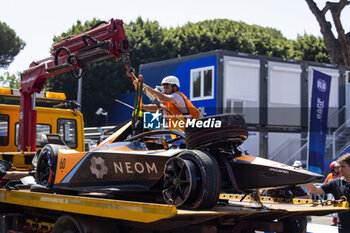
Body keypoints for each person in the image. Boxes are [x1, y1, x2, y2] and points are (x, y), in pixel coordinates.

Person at [305, 153, 350, 233]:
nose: (340, 170)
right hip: (344, 228)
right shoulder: (336, 183)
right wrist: (303, 178)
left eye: (343, 167)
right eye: (339, 167)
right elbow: (315, 190)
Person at [324, 161, 342, 226]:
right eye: (336, 168)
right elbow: (325, 183)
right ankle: (334, 221)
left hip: (338, 193)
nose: (337, 169)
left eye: (338, 168)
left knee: (339, 206)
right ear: (332, 168)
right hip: (331, 194)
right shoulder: (329, 176)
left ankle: (338, 220)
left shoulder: (341, 175)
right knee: (333, 207)